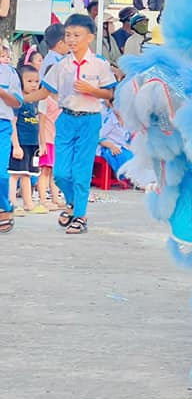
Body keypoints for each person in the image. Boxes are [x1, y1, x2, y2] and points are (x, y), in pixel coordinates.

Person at [26, 14, 118, 235]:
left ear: (90, 37)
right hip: (66, 119)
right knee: (60, 172)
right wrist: (21, 99)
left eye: (77, 35)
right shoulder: (61, 65)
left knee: (81, 171)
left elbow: (109, 94)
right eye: (68, 35)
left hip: (89, 120)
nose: (72, 40)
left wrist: (92, 90)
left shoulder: (100, 64)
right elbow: (44, 91)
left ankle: (80, 216)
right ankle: (73, 202)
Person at [37, 25, 68, 209]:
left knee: (54, 169)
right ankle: (43, 198)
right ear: (60, 43)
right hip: (47, 138)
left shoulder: (56, 60)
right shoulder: (54, 63)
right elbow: (42, 120)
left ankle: (55, 197)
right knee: (45, 170)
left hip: (56, 137)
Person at [9, 65, 44, 214]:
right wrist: (16, 145)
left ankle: (28, 203)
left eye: (36, 81)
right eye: (29, 81)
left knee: (27, 174)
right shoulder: (18, 101)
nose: (34, 85)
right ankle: (11, 203)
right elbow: (12, 123)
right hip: (21, 143)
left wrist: (41, 144)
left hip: (32, 144)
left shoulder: (34, 102)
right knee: (14, 174)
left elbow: (38, 124)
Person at [0, 43, 24, 233]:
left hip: (3, 124)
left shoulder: (9, 73)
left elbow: (17, 102)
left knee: (1, 173)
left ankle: (5, 207)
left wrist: (1, 91)